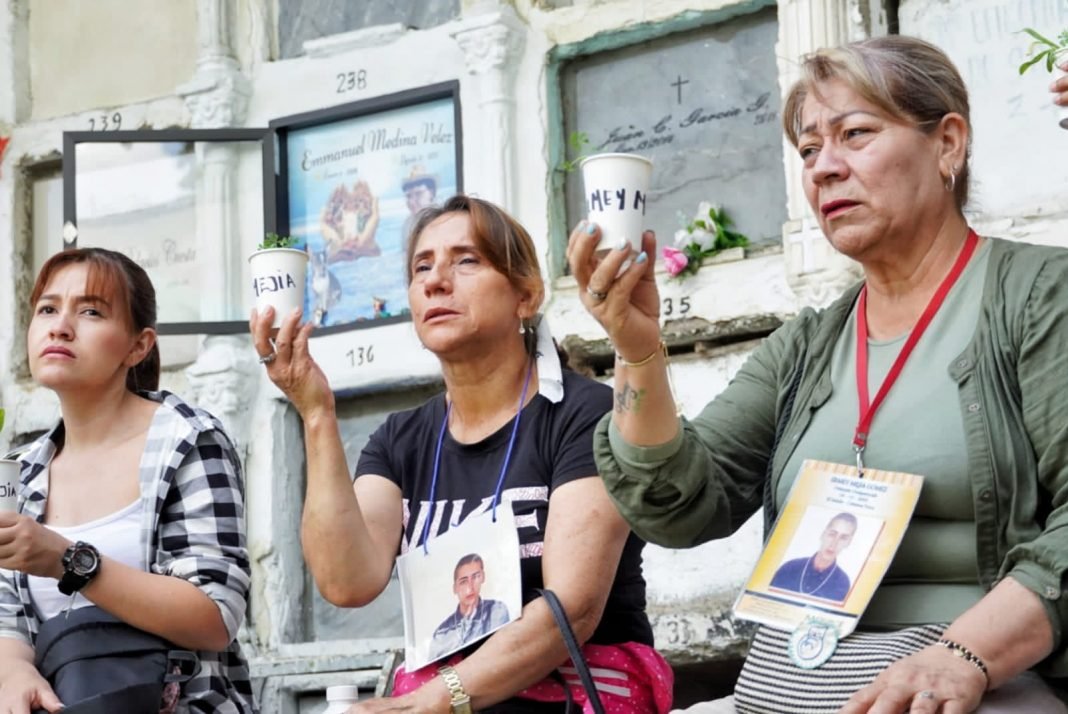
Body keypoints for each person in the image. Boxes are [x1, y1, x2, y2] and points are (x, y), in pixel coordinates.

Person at [568, 36, 1068, 713]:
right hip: (801, 684)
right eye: (808, 150)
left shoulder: (1039, 297)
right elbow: (681, 503)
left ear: (947, 142)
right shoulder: (807, 344)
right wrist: (635, 348)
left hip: (979, 681)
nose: (823, 168)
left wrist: (964, 657)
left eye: (855, 135)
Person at [251, 194, 672, 713]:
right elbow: (346, 581)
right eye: (421, 266)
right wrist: (315, 413)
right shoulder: (401, 440)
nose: (434, 281)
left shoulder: (584, 416)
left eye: (466, 260)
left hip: (569, 697)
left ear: (526, 296)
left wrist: (434, 701)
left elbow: (573, 610)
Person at [0, 248, 256, 713]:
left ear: (139, 345)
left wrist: (66, 559)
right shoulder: (20, 470)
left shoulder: (189, 441)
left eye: (91, 311)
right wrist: (15, 670)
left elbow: (214, 615)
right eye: (48, 309)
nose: (60, 326)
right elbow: (6, 619)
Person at [428, 553, 510, 661]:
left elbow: (502, 650)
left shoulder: (497, 610)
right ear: (455, 588)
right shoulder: (442, 632)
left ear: (483, 577)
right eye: (463, 582)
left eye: (475, 577)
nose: (470, 587)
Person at [769, 512, 856, 602]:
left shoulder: (842, 583)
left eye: (843, 538)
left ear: (848, 542)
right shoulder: (790, 567)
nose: (834, 543)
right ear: (823, 534)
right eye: (832, 534)